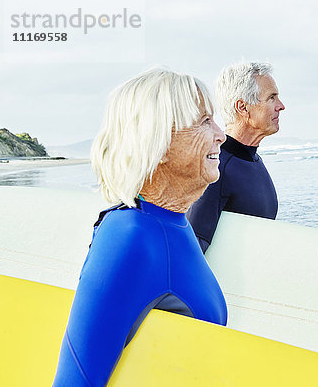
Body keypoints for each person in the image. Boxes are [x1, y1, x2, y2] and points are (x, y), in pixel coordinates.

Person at [53, 68, 227, 386]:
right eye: (204, 121)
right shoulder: (128, 236)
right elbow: (75, 379)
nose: (221, 135)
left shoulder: (173, 223)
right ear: (158, 142)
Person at [186, 62, 285, 252]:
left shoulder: (253, 161)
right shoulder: (216, 166)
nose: (281, 106)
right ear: (243, 107)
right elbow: (192, 249)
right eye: (271, 98)